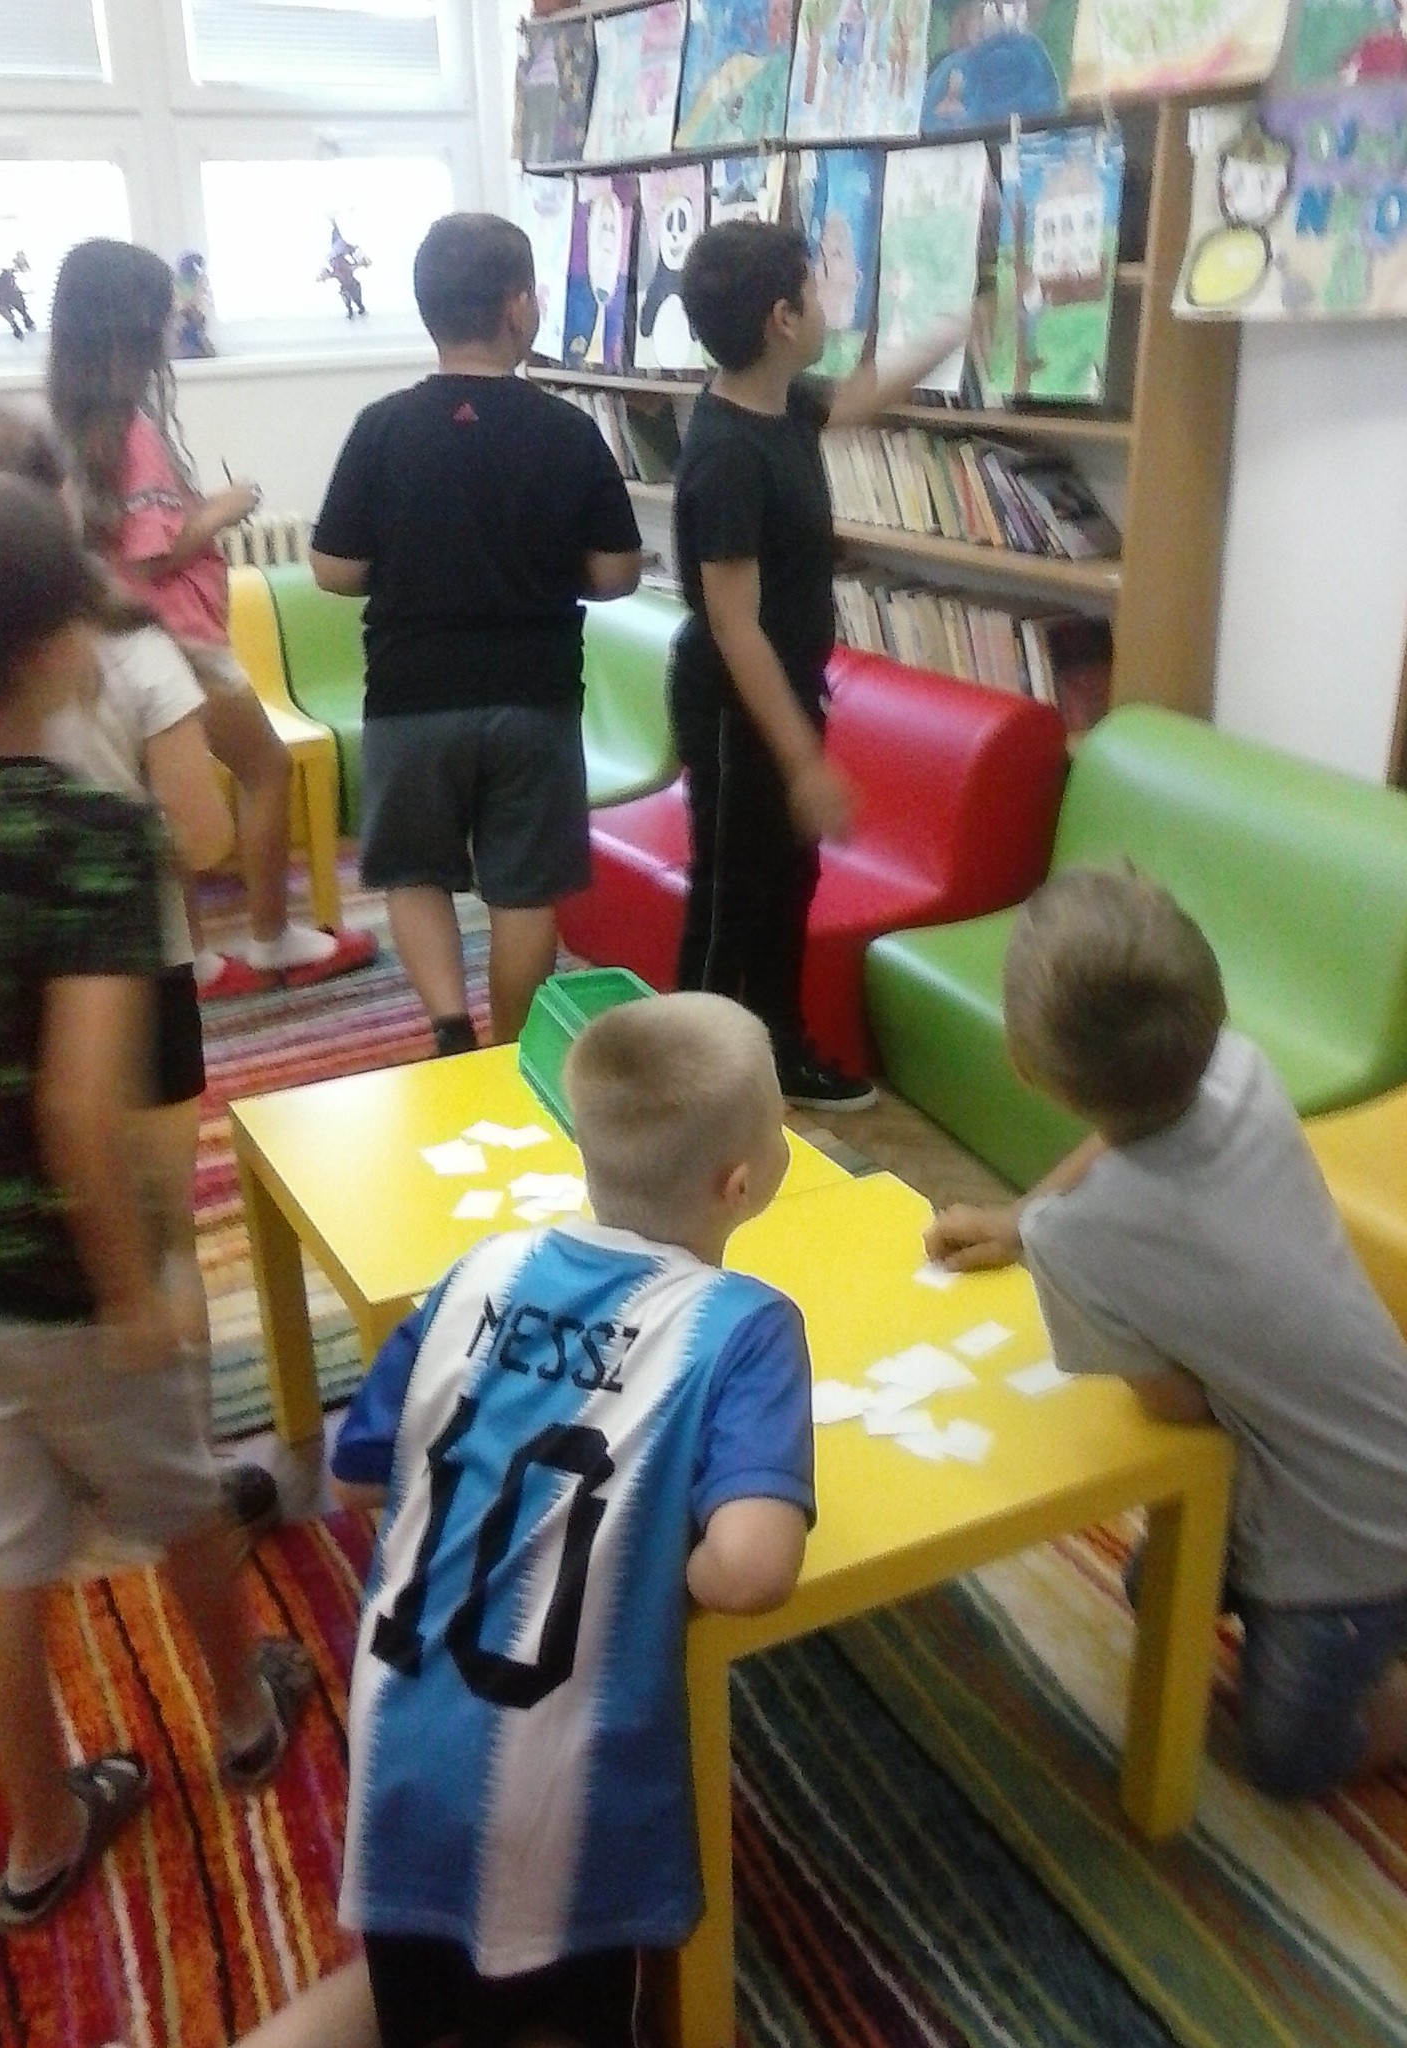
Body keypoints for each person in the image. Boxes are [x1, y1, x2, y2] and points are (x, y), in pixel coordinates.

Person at [0, 473, 315, 1931]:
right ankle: (245, 1717)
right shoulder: (88, 838)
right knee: (182, 1504)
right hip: (71, 1283)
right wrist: (132, 1288)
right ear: (52, 646)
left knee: (5, 1561)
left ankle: (39, 1838)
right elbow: (78, 1105)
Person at [305, 990, 813, 2047]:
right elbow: (753, 1567)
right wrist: (656, 1551)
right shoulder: (748, 1325)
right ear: (743, 1182)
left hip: (397, 1728)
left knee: (414, 2011)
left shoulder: (478, 1268)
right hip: (557, 1790)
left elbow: (353, 1478)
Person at [0, 400, 282, 1538]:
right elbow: (201, 833)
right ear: (55, 512)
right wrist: (86, 857)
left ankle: (71, 1454)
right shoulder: (136, 652)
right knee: (158, 1242)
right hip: (134, 985)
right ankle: (180, 1459)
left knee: (27, 1228)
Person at [924, 867, 1407, 1799]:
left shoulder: (1083, 1245)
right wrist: (1023, 1220)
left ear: (1026, 1069)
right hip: (1354, 1444)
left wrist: (1053, 1241)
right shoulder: (1241, 1068)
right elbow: (1124, 1142)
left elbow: (1179, 1411)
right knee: (1157, 1591)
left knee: (1287, 1758)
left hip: (1350, 1533)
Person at [310, 212, 644, 1054]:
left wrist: (412, 568)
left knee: (414, 871)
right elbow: (617, 572)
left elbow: (333, 569)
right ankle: (511, 1049)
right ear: (519, 307)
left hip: (411, 695)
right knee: (524, 890)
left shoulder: (381, 427)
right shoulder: (568, 431)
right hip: (534, 698)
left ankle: (450, 1029)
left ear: (427, 309)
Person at [669, 219, 966, 1112]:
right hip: (736, 703)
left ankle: (776, 1048)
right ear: (782, 318)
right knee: (731, 895)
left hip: (783, 689)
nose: (827, 302)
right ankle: (697, 1082)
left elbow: (856, 402)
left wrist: (949, 334)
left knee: (787, 878)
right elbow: (734, 626)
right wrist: (803, 761)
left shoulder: (782, 405)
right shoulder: (728, 452)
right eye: (815, 288)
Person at [48, 237, 377, 1000]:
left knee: (158, 799)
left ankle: (191, 955)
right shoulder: (129, 431)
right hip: (180, 642)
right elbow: (152, 554)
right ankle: (271, 938)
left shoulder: (77, 424)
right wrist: (225, 508)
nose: (172, 329)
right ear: (133, 326)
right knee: (264, 769)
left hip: (128, 638)